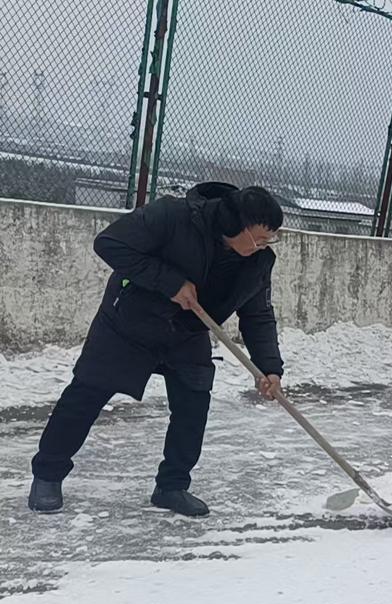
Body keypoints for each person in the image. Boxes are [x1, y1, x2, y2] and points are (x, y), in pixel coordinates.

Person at [28, 183, 285, 517]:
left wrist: (269, 368)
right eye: (258, 238)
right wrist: (170, 282)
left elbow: (258, 314)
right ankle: (47, 474)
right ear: (232, 225)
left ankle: (172, 486)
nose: (264, 246)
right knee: (86, 395)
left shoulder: (257, 261)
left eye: (270, 239)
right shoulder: (173, 217)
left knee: (193, 405)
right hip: (129, 324)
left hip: (187, 332)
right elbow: (110, 243)